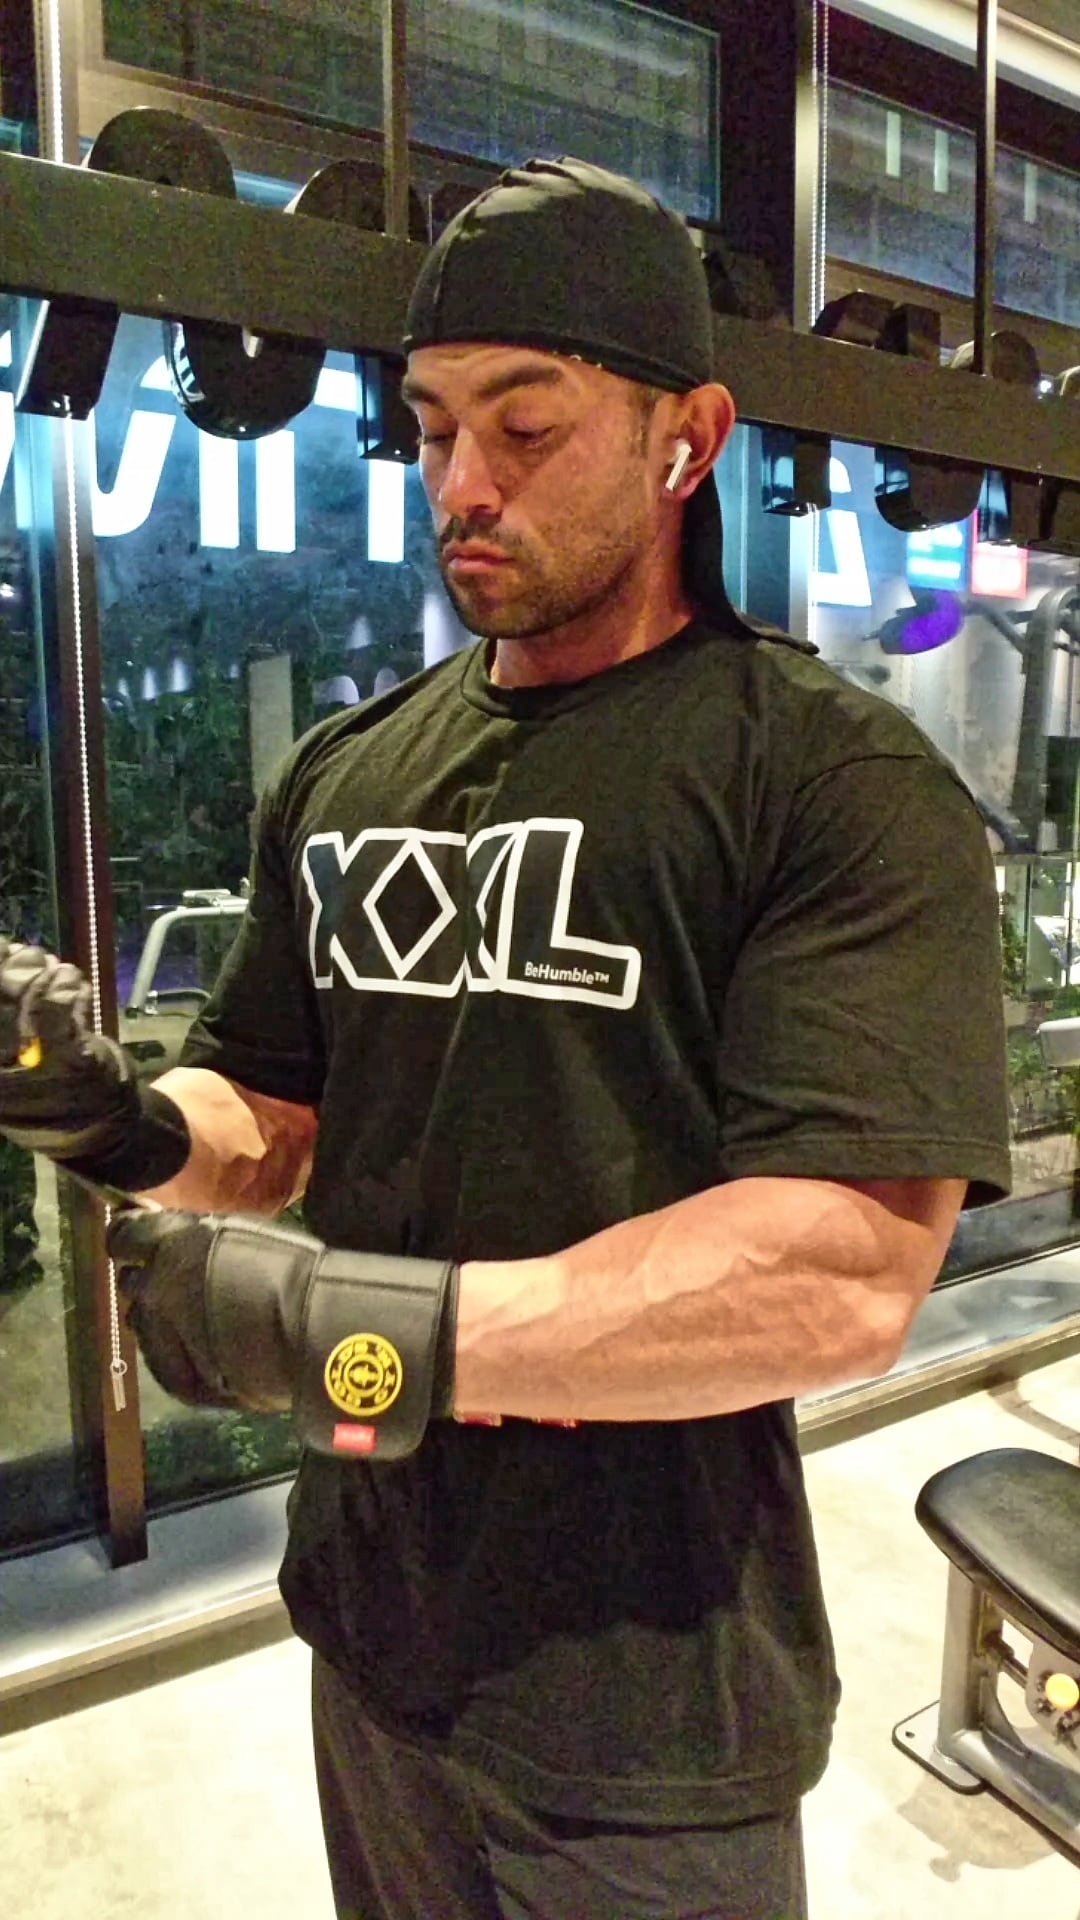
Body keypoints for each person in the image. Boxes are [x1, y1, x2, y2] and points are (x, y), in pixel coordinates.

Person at [0, 159, 1011, 1919]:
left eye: (527, 428)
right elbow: (277, 1114)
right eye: (432, 427)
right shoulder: (348, 769)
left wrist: (345, 1333)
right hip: (370, 1626)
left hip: (651, 1697)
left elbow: (843, 1272)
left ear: (688, 440)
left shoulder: (827, 778)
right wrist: (110, 1121)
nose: (462, 484)